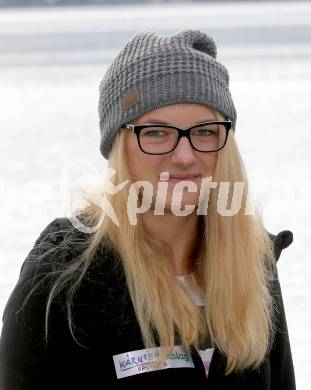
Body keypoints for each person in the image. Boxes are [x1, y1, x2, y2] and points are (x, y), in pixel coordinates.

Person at [0, 29, 296, 389]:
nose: (185, 156)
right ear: (119, 147)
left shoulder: (253, 263)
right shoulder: (64, 276)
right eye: (157, 133)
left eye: (204, 132)